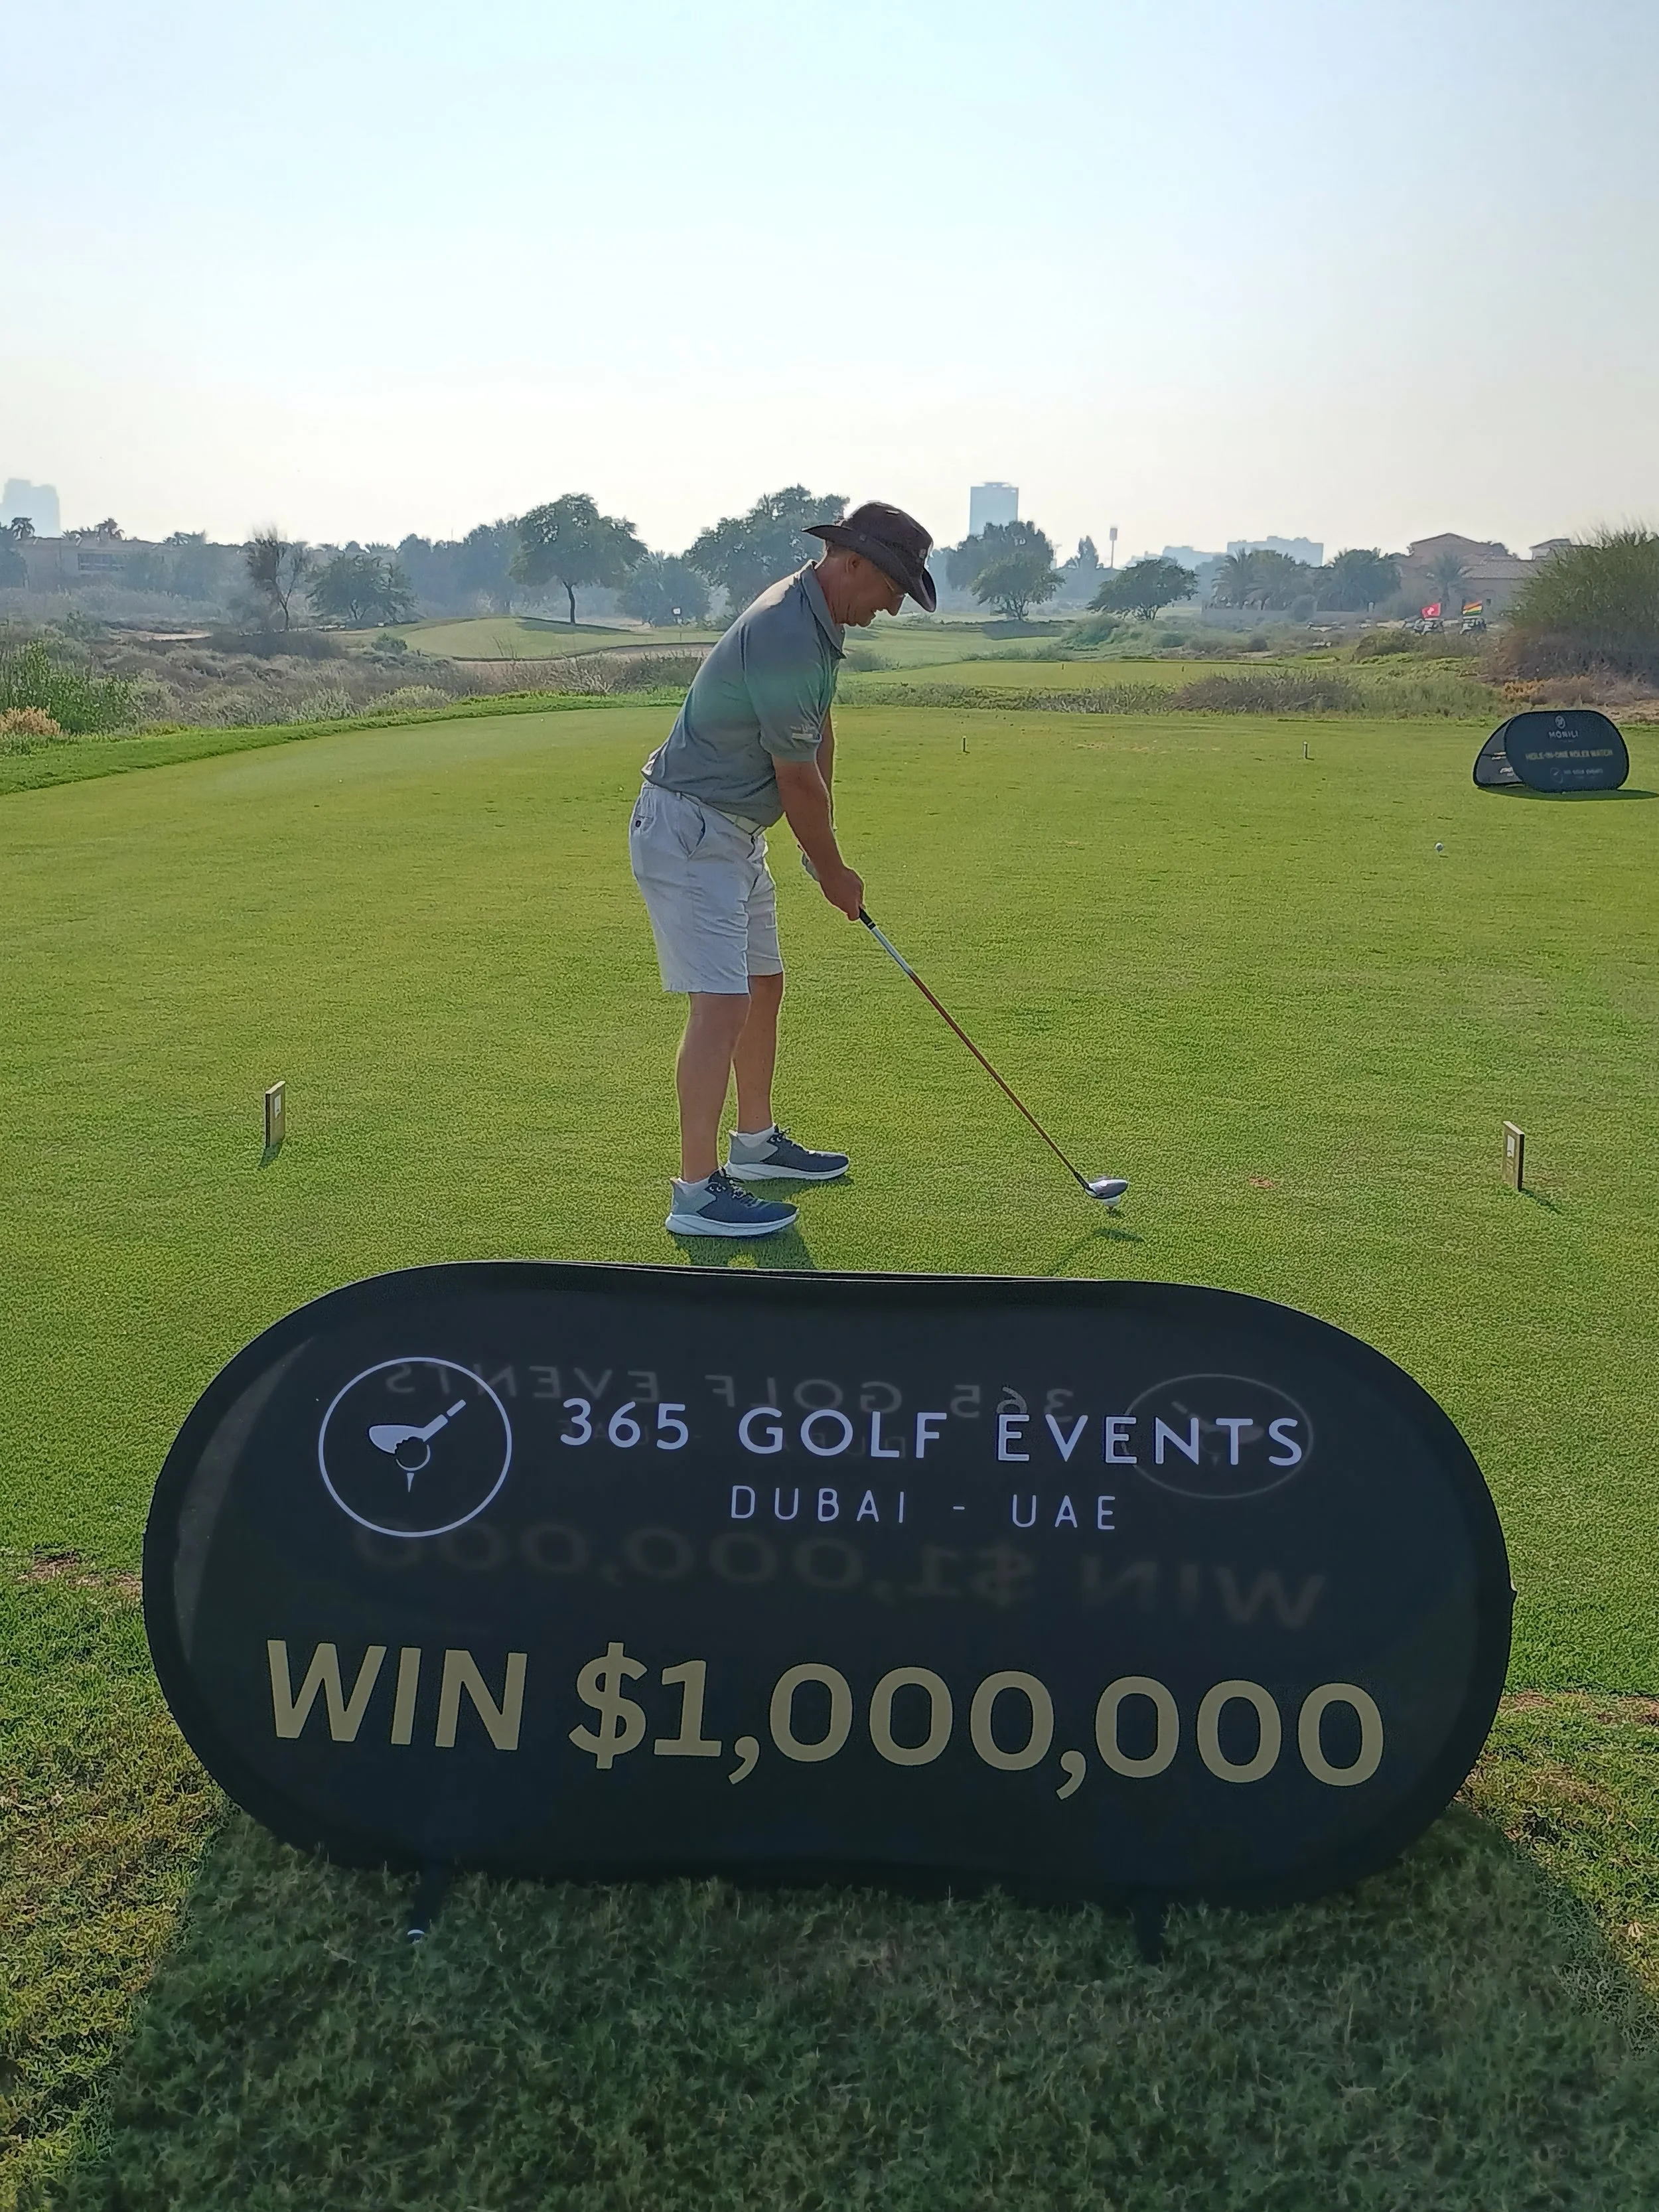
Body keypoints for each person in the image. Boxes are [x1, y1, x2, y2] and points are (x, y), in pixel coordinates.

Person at [629, 500, 936, 1238]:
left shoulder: (816, 620)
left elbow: (816, 732)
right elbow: (794, 776)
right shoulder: (787, 631)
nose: (892, 606)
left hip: (731, 832)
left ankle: (757, 1144)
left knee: (763, 982)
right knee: (722, 1004)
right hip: (692, 827)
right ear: (851, 561)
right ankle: (697, 1193)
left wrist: (818, 841)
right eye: (892, 586)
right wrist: (832, 869)